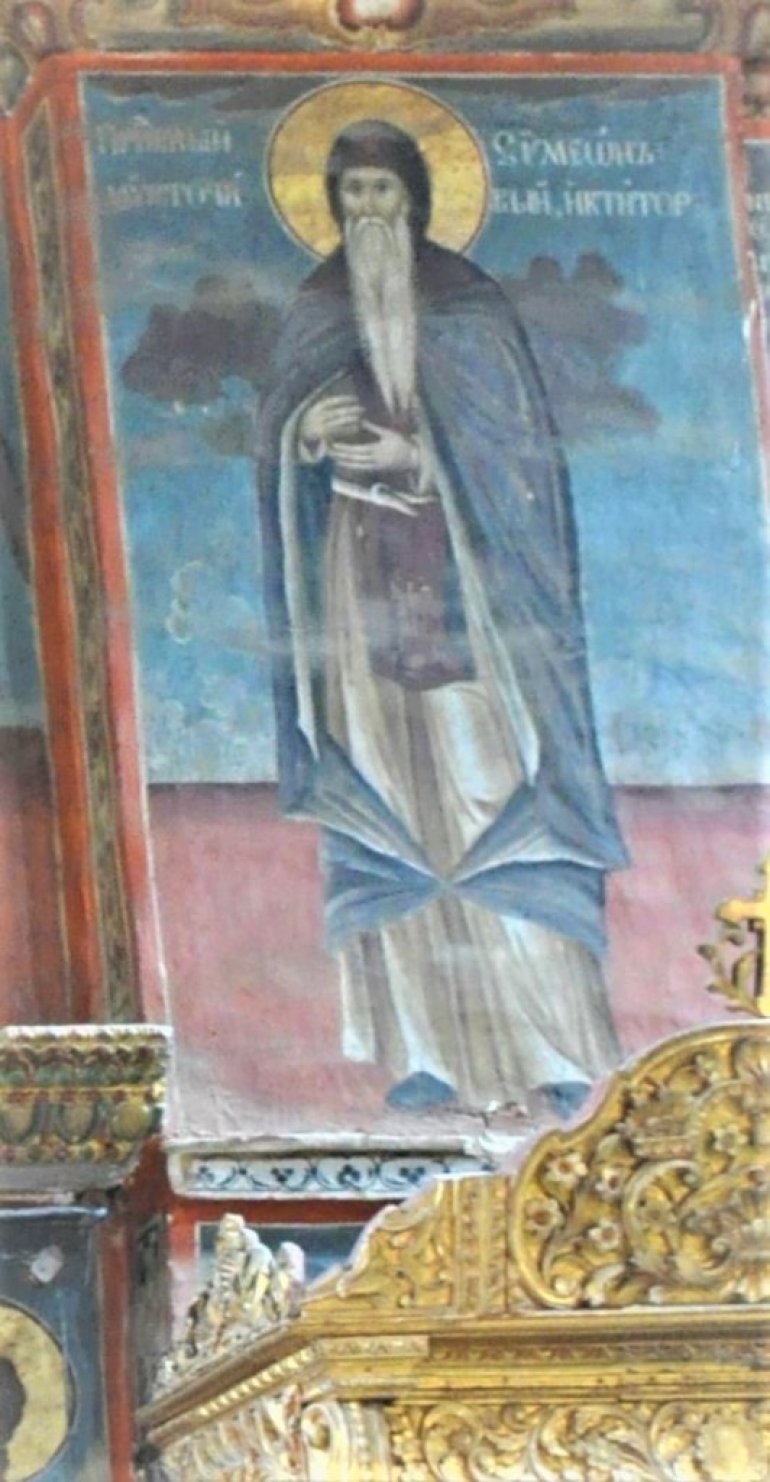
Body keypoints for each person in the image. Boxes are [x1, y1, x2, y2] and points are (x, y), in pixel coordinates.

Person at [258, 117, 628, 1116]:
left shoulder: (470, 308)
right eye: (352, 197)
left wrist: (422, 459)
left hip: (474, 596)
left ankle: (549, 1046)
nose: (368, 216)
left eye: (383, 194)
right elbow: (281, 433)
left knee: (488, 783)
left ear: (416, 200)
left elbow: (518, 463)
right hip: (358, 591)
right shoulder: (317, 306)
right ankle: (419, 1045)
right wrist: (307, 431)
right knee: (386, 791)